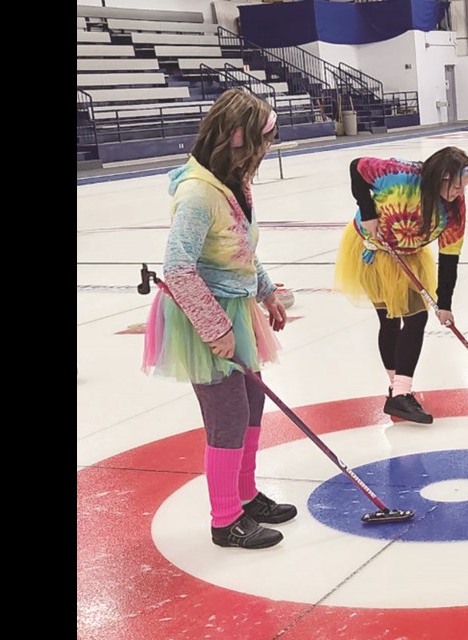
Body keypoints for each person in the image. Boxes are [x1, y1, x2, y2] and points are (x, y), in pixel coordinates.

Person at [141, 88, 296, 550]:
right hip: (203, 316)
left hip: (237, 307)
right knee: (228, 415)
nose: (264, 153)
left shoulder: (234, 182)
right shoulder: (196, 194)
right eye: (260, 142)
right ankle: (226, 520)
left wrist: (266, 292)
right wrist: (216, 328)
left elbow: (242, 250)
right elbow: (177, 268)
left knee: (252, 404)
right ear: (235, 137)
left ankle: (245, 497)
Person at [334, 147, 468, 425]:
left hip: (408, 254)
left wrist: (445, 303)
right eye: (457, 185)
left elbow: (450, 257)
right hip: (372, 250)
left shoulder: (454, 209)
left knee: (415, 317)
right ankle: (397, 390)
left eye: (465, 186)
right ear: (441, 178)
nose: (460, 192)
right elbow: (356, 166)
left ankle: (399, 390)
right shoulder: (399, 176)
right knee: (390, 320)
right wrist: (368, 212)